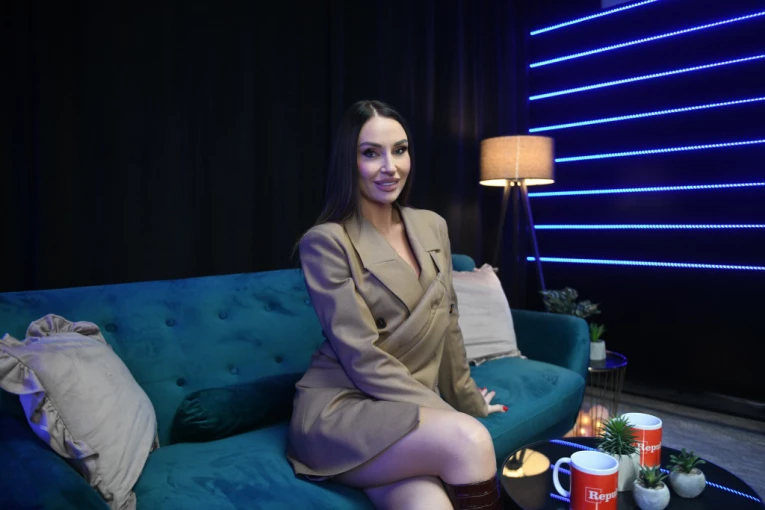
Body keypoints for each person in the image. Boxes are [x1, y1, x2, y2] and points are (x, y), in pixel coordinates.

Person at [286, 100, 507, 510]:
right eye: (371, 153)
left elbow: (448, 324)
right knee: (469, 439)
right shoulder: (326, 242)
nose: (390, 167)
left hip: (405, 407)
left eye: (399, 150)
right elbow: (362, 356)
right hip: (344, 407)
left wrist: (469, 400)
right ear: (348, 162)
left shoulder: (432, 225)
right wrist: (449, 416)